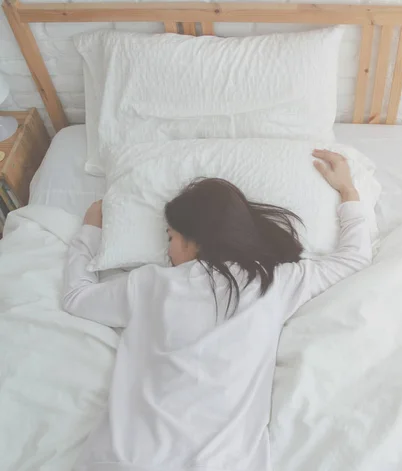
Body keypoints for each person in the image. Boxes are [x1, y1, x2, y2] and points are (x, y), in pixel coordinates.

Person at [63, 149, 373, 471]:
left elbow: (76, 297)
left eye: (170, 236)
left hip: (127, 459)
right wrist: (348, 192)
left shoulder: (149, 285)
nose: (167, 250)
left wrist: (89, 233)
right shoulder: (274, 282)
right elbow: (354, 257)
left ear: (193, 238)